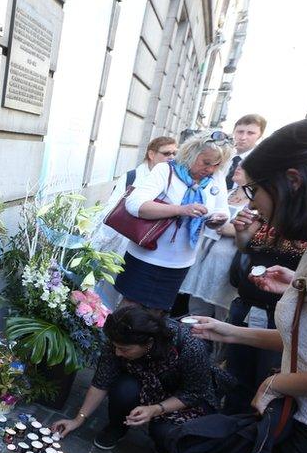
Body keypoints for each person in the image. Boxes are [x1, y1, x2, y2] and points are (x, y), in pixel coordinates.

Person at [191, 118, 307, 453]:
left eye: (256, 189)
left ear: (293, 180)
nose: (253, 201)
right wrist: (231, 332)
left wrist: (275, 382)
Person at [51, 305, 224, 453]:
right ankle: (117, 427)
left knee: (164, 433)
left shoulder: (190, 346)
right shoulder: (117, 340)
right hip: (146, 385)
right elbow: (102, 381)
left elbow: (194, 392)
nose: (118, 353)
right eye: (116, 347)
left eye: (124, 350)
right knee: (123, 389)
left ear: (148, 343)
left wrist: (156, 409)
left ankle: (163, 441)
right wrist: (78, 419)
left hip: (184, 397)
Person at [112, 132, 232, 312]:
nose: (210, 169)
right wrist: (180, 209)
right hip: (145, 257)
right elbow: (134, 204)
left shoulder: (216, 178)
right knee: (129, 310)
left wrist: (217, 220)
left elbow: (222, 210)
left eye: (216, 165)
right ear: (191, 154)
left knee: (158, 313)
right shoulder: (166, 170)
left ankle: (147, 342)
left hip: (180, 262)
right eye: (206, 162)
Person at [220, 195, 307, 414]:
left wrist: (296, 280)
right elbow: (247, 249)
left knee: (267, 384)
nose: (252, 200)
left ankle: (253, 438)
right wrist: (243, 233)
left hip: (282, 317)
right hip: (247, 306)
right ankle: (228, 434)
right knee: (236, 380)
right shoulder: (270, 214)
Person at [91, 137, 178, 309]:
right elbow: (110, 210)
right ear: (151, 154)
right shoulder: (133, 176)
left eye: (175, 153)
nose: (171, 157)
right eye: (166, 153)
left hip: (149, 248)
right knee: (107, 291)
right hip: (119, 244)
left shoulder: (174, 180)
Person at [178, 165, 250, 322]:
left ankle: (217, 347)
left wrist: (230, 229)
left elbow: (256, 232)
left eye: (244, 168)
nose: (238, 168)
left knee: (223, 316)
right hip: (204, 261)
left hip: (229, 269)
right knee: (196, 312)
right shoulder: (226, 192)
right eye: (238, 165)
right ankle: (192, 345)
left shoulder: (255, 202)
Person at [224, 114, 267, 190]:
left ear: (260, 135)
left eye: (250, 133)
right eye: (240, 132)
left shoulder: (262, 163)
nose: (243, 137)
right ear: (233, 131)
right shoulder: (222, 156)